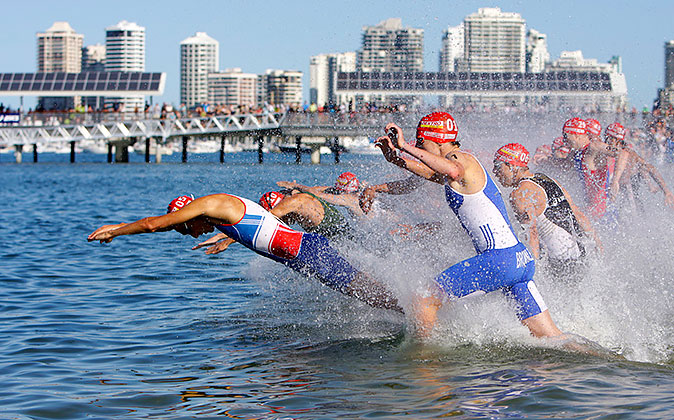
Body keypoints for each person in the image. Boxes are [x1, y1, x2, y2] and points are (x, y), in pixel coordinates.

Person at [370, 111, 563, 338]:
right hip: (519, 260)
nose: (420, 148)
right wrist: (397, 160)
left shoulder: (458, 160)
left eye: (422, 143)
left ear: (435, 140)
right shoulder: (464, 164)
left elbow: (450, 169)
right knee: (552, 338)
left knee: (423, 299)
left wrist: (404, 146)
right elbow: (435, 174)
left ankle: (424, 366)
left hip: (498, 260)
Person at [88, 193, 401, 312]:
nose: (193, 233)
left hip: (307, 252)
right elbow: (260, 228)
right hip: (304, 255)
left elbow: (156, 225)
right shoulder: (218, 215)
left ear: (189, 214)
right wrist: (227, 240)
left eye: (187, 227)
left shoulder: (212, 204)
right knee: (367, 293)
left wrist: (117, 230)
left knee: (368, 292)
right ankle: (416, 310)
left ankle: (421, 311)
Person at [492, 143, 602, 276]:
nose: (494, 172)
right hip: (581, 255)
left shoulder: (520, 193)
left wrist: (533, 273)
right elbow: (578, 214)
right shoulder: (547, 179)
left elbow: (531, 235)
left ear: (511, 166)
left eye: (498, 166)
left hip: (561, 264)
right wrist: (597, 243)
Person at [606, 122, 674, 210]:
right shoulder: (605, 151)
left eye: (607, 138)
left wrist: (666, 191)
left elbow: (649, 168)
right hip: (616, 197)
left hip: (628, 198)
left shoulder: (628, 153)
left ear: (613, 139)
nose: (605, 141)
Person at [563, 117, 618, 221]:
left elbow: (622, 153)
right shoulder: (577, 153)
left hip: (604, 212)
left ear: (576, 135)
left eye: (566, 136)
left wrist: (615, 180)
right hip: (592, 209)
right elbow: (563, 164)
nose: (564, 141)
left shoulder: (593, 147)